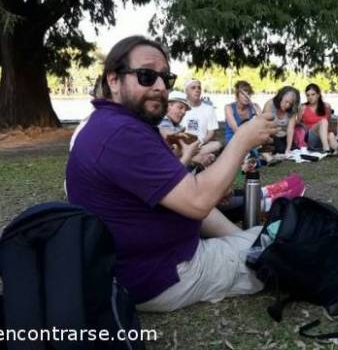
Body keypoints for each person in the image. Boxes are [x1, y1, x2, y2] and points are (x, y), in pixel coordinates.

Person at [66, 36, 279, 312]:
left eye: (165, 78)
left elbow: (176, 189)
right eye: (146, 76)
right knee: (291, 246)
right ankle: (248, 242)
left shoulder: (111, 123)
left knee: (261, 237)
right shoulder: (121, 133)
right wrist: (242, 139)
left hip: (144, 261)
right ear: (114, 80)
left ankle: (243, 239)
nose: (159, 87)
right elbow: (198, 201)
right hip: (165, 273)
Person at [159, 91, 215, 169]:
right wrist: (196, 157)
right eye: (180, 107)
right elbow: (168, 133)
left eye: (185, 110)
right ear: (169, 106)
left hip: (178, 164)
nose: (183, 112)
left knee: (216, 145)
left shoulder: (178, 126)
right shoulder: (162, 120)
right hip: (167, 168)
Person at [181, 78, 222, 156]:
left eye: (199, 87)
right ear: (186, 91)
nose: (197, 90)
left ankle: (190, 157)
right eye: (193, 88)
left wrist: (201, 142)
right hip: (184, 145)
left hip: (202, 145)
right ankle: (195, 157)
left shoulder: (209, 109)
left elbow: (211, 133)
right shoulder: (181, 107)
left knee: (217, 145)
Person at [295, 83, 338, 153]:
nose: (310, 97)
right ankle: (326, 148)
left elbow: (329, 124)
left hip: (323, 137)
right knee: (323, 121)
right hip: (310, 137)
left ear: (318, 95)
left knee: (331, 135)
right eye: (308, 95)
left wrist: (332, 133)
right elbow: (298, 124)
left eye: (313, 94)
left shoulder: (327, 106)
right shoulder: (303, 107)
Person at [263, 86, 300, 154]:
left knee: (294, 149)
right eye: (286, 101)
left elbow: (290, 130)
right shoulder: (270, 104)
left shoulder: (292, 110)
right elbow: (264, 126)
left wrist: (288, 149)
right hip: (272, 135)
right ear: (280, 96)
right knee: (280, 148)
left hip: (284, 136)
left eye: (290, 104)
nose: (287, 105)